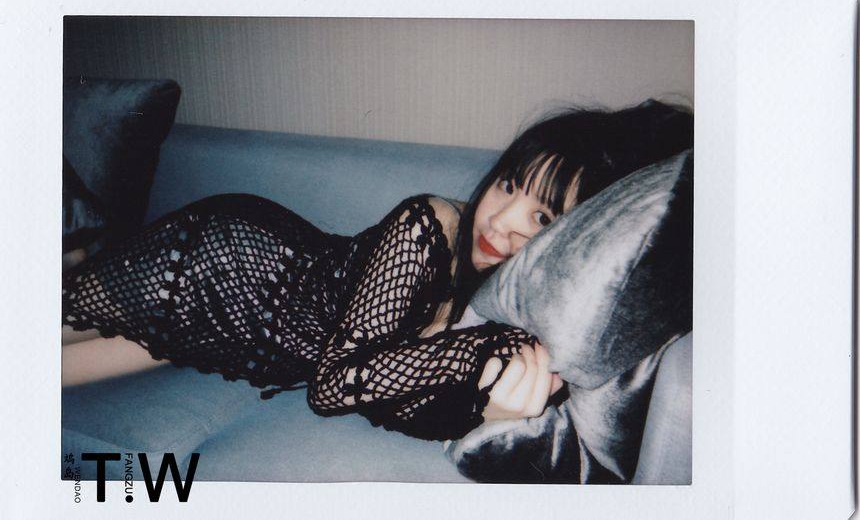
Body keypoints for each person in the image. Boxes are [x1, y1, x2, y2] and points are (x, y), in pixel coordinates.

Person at [61, 99, 693, 441]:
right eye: (508, 184)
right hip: (228, 263)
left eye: (543, 217)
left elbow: (390, 401)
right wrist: (475, 358)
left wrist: (489, 412)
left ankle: (88, 250)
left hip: (240, 342)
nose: (501, 221)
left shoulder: (508, 306)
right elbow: (336, 383)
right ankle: (79, 249)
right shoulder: (430, 224)